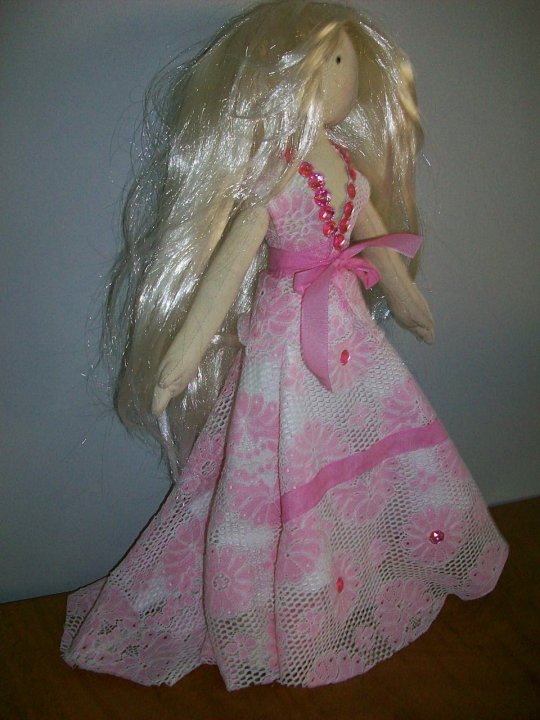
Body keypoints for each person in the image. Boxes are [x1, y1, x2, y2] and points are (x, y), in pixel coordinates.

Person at [61, 0, 507, 690]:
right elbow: (224, 275)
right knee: (288, 461)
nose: (334, 76)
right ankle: (301, 606)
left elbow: (380, 246)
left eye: (342, 62)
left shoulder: (352, 172)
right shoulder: (274, 179)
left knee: (366, 450)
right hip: (284, 347)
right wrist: (180, 357)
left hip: (350, 335)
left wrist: (407, 298)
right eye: (320, 62)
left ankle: (360, 577)